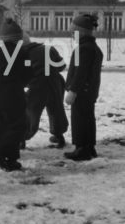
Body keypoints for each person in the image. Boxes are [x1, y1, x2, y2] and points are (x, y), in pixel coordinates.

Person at [0, 18, 32, 171]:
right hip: (14, 98)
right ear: (18, 38)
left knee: (3, 129)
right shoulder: (24, 54)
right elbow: (27, 76)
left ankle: (9, 161)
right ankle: (0, 153)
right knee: (19, 127)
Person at [64, 13, 103, 161]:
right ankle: (89, 147)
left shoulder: (83, 49)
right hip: (89, 91)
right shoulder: (93, 47)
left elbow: (80, 73)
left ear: (81, 31)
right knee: (88, 118)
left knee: (80, 119)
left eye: (74, 31)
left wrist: (73, 91)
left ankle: (81, 149)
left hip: (82, 91)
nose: (72, 35)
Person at [22, 34, 68, 148]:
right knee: (56, 110)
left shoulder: (22, 55)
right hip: (55, 83)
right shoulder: (49, 49)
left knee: (31, 112)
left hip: (37, 86)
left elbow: (23, 75)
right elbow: (62, 66)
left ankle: (22, 139)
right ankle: (59, 136)